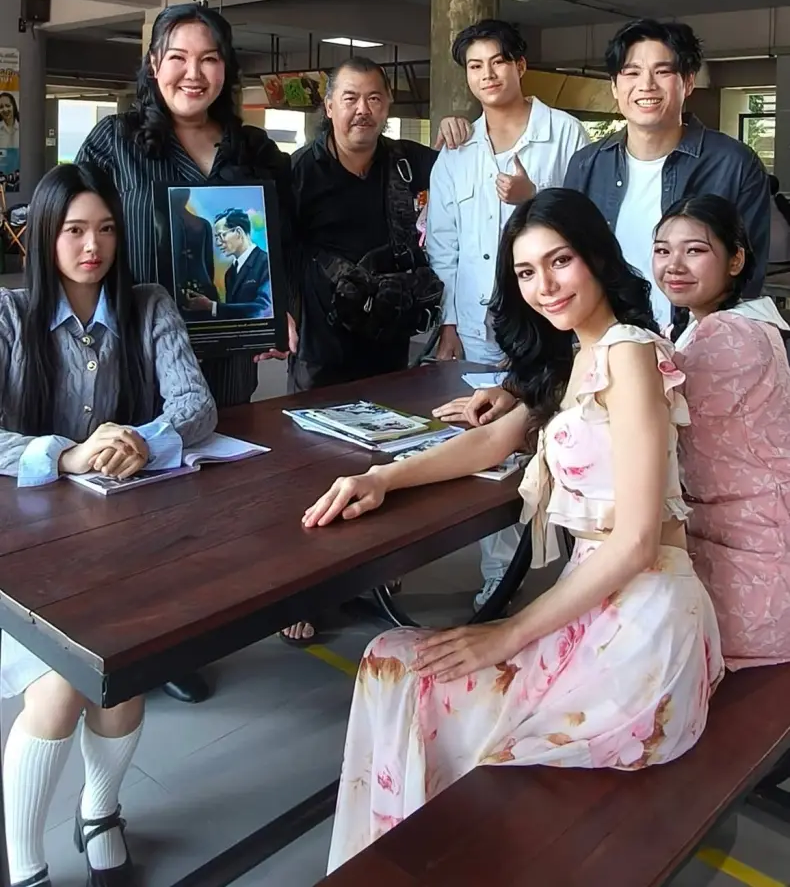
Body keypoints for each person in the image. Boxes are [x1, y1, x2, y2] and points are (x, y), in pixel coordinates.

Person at [304, 189, 722, 869]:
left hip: (644, 625)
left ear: (595, 257)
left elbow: (638, 540)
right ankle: (398, 863)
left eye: (560, 261)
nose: (544, 286)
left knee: (400, 669)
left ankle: (411, 862)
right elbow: (491, 443)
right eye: (526, 272)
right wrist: (382, 478)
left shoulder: (628, 354)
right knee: (394, 665)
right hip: (601, 604)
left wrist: (508, 632)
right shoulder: (577, 358)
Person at [0, 162, 217, 887]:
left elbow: (197, 405)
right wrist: (63, 455)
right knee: (61, 688)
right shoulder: (8, 316)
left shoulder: (148, 306)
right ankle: (26, 867)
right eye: (73, 230)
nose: (91, 246)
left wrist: (141, 440)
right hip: (23, 557)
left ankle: (99, 814)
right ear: (43, 237)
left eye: (105, 230)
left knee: (122, 676)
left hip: (118, 546)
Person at [77, 3, 293, 699]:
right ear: (154, 65)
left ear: (227, 69)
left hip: (227, 348)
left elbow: (281, 240)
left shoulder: (253, 150)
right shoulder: (116, 142)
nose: (192, 73)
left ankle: (190, 628)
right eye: (177, 57)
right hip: (135, 348)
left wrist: (279, 309)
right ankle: (132, 637)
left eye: (208, 58)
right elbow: (79, 229)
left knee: (212, 490)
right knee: (134, 488)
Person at [426, 19, 588, 608]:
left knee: (566, 432)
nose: (487, 75)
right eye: (475, 66)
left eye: (497, 61)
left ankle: (583, 560)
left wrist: (532, 200)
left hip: (554, 318)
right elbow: (442, 244)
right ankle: (500, 572)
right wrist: (447, 324)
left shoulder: (566, 134)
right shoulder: (457, 149)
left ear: (520, 65)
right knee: (489, 438)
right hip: (478, 323)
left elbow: (588, 222)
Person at [652, 194, 790, 670]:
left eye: (695, 250)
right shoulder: (740, 323)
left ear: (735, 260)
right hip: (748, 541)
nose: (674, 265)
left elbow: (646, 412)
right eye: (663, 250)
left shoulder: (728, 335)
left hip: (751, 565)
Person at [565, 18, 770, 328]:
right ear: (615, 86)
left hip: (697, 342)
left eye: (662, 71)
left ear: (688, 82)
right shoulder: (586, 164)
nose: (646, 84)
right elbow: (570, 260)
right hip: (610, 340)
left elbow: (747, 277)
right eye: (632, 72)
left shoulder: (735, 164)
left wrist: (708, 344)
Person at [289, 56, 466, 392]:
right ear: (329, 106)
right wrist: (281, 313)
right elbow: (277, 249)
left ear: (387, 105)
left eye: (374, 98)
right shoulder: (299, 172)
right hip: (321, 347)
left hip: (391, 338)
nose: (363, 110)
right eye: (350, 98)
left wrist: (459, 130)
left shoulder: (409, 161)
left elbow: (472, 174)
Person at [185, 208, 271, 318]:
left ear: (238, 232)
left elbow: (264, 310)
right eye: (216, 237)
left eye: (222, 235)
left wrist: (212, 306)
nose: (218, 243)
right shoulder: (230, 273)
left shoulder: (266, 263)